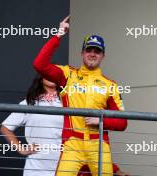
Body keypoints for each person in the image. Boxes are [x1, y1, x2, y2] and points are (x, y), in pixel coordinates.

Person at [33, 16, 128, 176]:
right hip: (72, 144)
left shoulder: (110, 85)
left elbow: (122, 122)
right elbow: (39, 64)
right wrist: (59, 34)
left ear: (103, 55)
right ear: (82, 53)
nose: (92, 54)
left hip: (98, 144)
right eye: (89, 50)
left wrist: (101, 120)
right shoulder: (67, 74)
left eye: (97, 51)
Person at [0, 75, 64, 176]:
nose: (51, 75)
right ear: (41, 78)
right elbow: (5, 128)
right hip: (35, 167)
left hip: (64, 166)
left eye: (54, 73)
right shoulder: (30, 102)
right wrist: (22, 149)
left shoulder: (67, 102)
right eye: (48, 73)